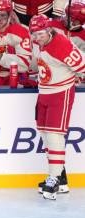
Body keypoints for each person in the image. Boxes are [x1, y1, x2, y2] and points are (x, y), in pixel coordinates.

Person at [29, 14, 85, 199]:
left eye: (40, 34)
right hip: (44, 93)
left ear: (49, 30)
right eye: (34, 34)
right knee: (45, 134)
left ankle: (53, 178)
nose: (37, 38)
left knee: (54, 135)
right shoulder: (40, 43)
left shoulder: (62, 44)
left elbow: (83, 66)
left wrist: (78, 76)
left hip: (60, 93)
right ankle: (60, 179)